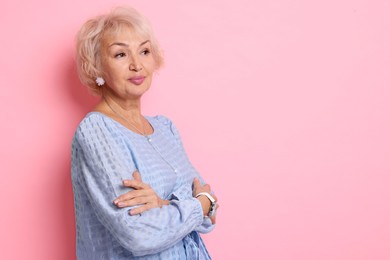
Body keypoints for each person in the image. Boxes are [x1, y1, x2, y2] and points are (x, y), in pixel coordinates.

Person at [71, 6, 218, 260]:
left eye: (145, 51)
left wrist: (162, 204)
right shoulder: (97, 130)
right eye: (120, 54)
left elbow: (210, 216)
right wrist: (198, 204)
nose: (137, 65)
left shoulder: (165, 128)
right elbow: (138, 233)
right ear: (97, 67)